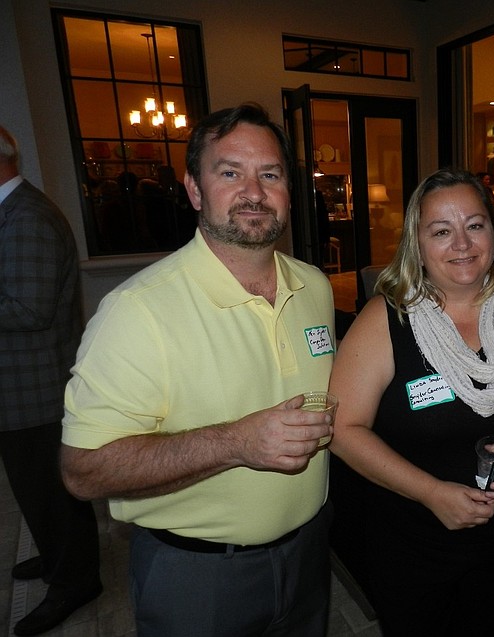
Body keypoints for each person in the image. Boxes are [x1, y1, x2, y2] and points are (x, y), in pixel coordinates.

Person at [60, 103, 336, 637]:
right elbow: (83, 470)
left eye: (270, 175)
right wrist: (236, 442)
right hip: (196, 577)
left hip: (308, 552)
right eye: (230, 173)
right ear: (194, 190)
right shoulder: (136, 311)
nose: (254, 192)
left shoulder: (315, 286)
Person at [328, 167, 494, 636]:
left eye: (474, 225)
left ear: (492, 235)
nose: (462, 243)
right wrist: (431, 493)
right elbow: (342, 430)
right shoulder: (385, 319)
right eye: (441, 231)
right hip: (411, 542)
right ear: (417, 245)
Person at [0, 125, 102, 636]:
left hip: (34, 390)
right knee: (38, 492)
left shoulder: (27, 217)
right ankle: (55, 556)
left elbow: (29, 309)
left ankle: (75, 582)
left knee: (52, 493)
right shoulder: (14, 213)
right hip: (22, 387)